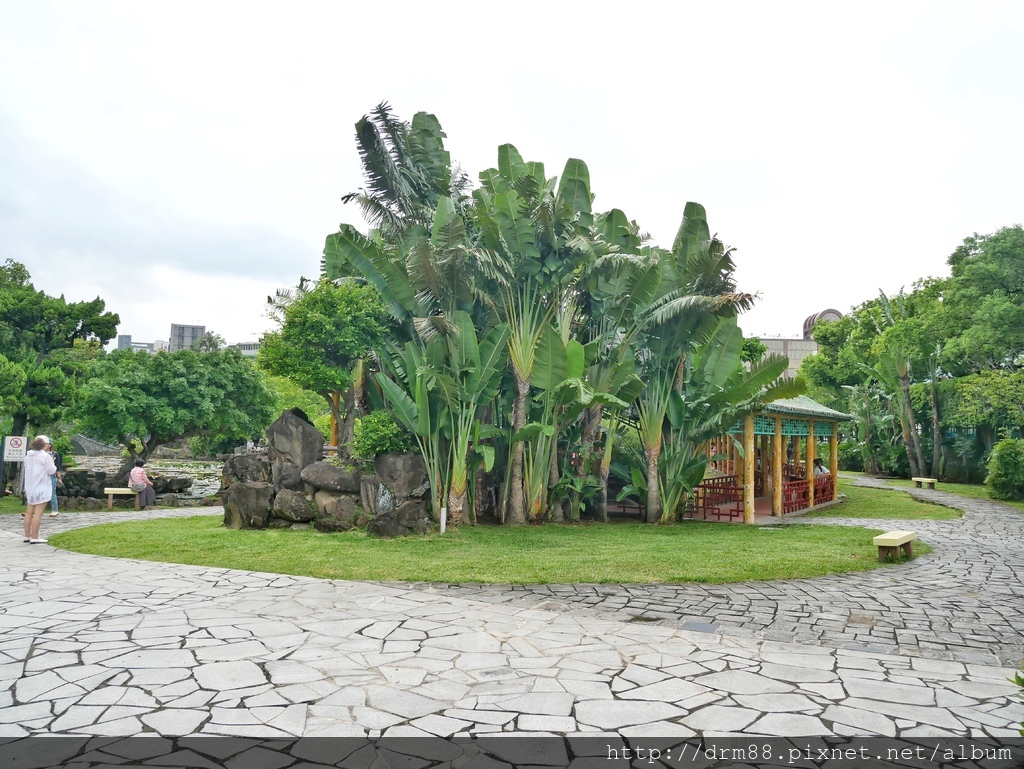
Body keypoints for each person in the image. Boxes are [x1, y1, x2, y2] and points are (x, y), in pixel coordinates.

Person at [23, 436, 56, 544]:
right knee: (37, 514)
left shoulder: (28, 455)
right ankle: (35, 536)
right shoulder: (45, 456)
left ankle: (27, 535)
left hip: (30, 487)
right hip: (41, 486)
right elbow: (51, 471)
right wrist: (52, 462)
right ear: (44, 444)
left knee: (29, 513)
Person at [42, 436, 63, 517]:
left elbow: (58, 467)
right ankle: (35, 512)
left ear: (50, 445)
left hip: (51, 476)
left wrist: (59, 478)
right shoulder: (39, 453)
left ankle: (55, 510)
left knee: (52, 493)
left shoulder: (55, 454)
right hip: (41, 476)